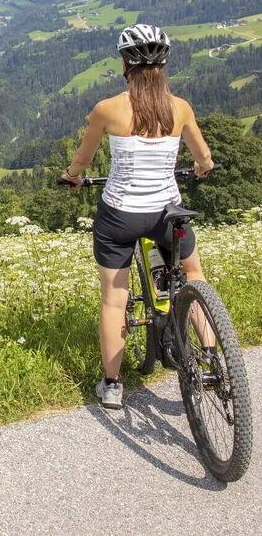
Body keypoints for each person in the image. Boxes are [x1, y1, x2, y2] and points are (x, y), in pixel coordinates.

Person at [60, 24, 214, 409]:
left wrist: (73, 177)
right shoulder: (179, 108)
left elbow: (83, 158)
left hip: (120, 217)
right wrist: (201, 168)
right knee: (194, 276)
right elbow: (204, 158)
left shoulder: (108, 109)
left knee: (114, 298)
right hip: (167, 213)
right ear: (164, 63)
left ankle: (112, 386)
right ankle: (211, 361)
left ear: (125, 62)